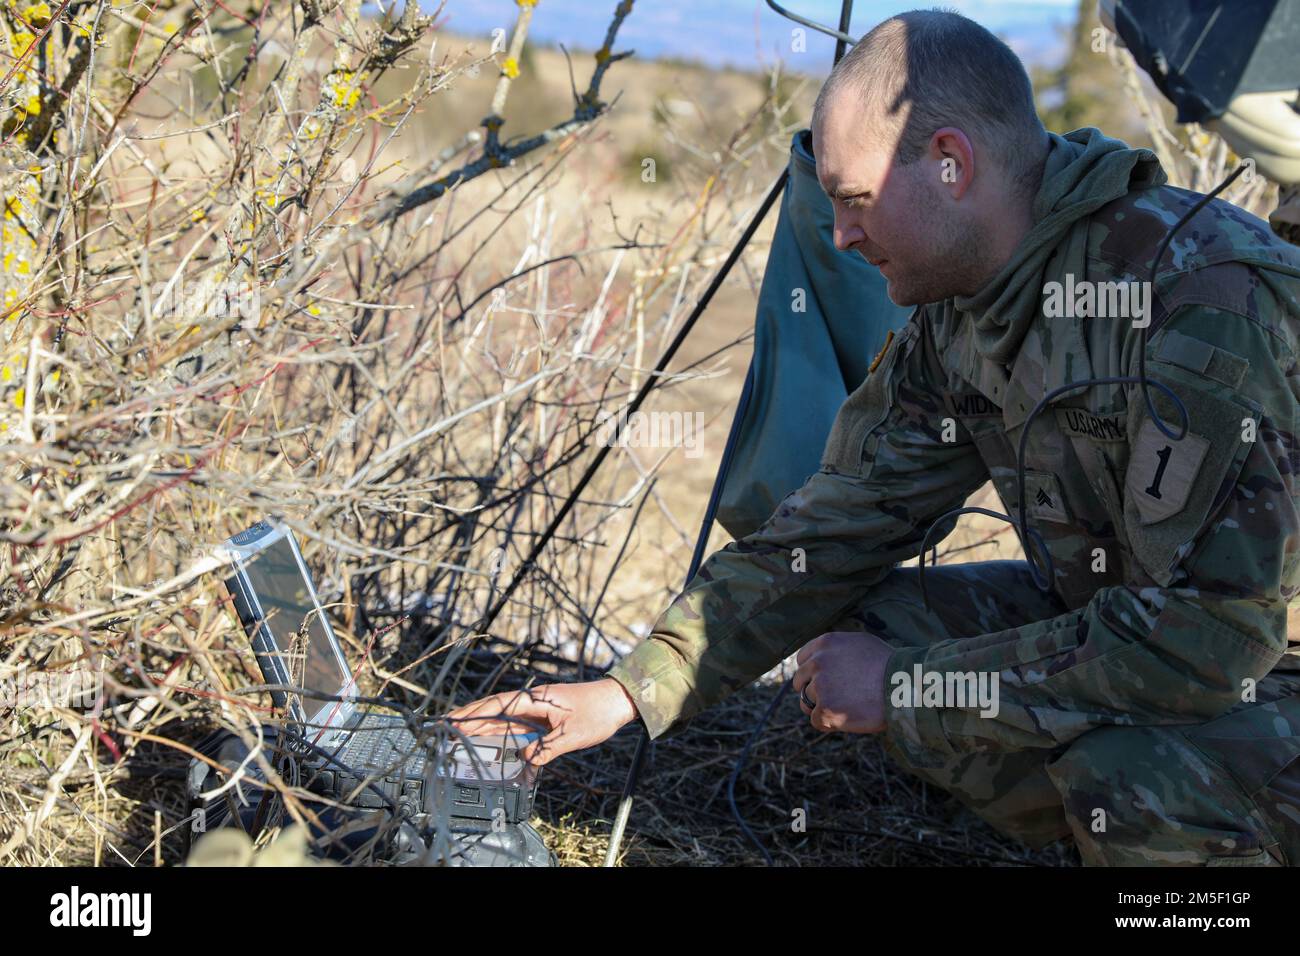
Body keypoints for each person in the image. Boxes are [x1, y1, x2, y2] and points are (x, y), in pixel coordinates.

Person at [449, 9, 1300, 865]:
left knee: (1128, 773)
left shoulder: (1200, 302)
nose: (842, 235)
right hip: (1145, 628)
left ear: (951, 165)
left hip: (1256, 661)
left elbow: (1209, 639)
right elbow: (837, 527)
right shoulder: (966, 303)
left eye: (853, 200)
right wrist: (629, 691)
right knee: (867, 622)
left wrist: (913, 691)